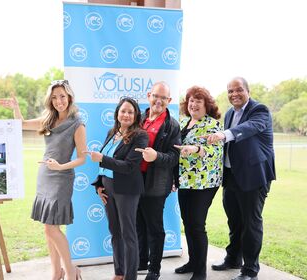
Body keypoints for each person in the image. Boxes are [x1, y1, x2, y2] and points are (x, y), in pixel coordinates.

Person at [0, 80, 86, 280]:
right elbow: (20, 125)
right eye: (54, 97)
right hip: (45, 176)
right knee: (48, 229)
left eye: (62, 96)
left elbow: (82, 157)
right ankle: (57, 272)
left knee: (51, 228)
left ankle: (71, 272)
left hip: (61, 178)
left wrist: (60, 166)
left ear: (69, 97)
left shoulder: (77, 124)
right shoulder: (48, 119)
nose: (58, 101)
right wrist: (16, 108)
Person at [206, 77, 276, 280]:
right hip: (231, 177)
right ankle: (233, 259)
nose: (234, 94)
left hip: (254, 177)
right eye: (230, 91)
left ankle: (250, 270)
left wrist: (224, 134)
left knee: (251, 223)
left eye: (238, 90)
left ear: (247, 90)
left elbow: (251, 127)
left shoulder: (259, 110)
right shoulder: (229, 113)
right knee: (234, 221)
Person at [87, 97, 148, 280]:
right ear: (117, 113)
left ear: (136, 114)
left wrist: (102, 159)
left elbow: (129, 166)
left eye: (130, 111)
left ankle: (130, 276)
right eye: (123, 111)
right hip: (108, 188)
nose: (126, 115)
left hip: (127, 190)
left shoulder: (140, 136)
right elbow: (104, 164)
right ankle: (119, 273)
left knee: (128, 234)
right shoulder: (112, 132)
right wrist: (99, 184)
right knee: (115, 233)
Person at [173, 86, 223, 280]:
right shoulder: (184, 122)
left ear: (206, 105)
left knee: (197, 224)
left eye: (198, 101)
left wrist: (197, 149)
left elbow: (216, 151)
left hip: (204, 182)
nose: (193, 104)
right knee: (188, 223)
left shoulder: (212, 124)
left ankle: (201, 271)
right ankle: (192, 262)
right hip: (185, 181)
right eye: (191, 100)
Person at [135, 81, 181, 280]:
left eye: (163, 97)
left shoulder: (172, 125)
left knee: (154, 227)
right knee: (139, 223)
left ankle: (154, 269)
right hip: (135, 180)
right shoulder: (140, 118)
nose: (159, 100)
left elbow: (174, 157)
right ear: (148, 96)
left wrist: (156, 156)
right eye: (156, 96)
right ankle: (141, 261)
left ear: (169, 101)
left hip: (156, 184)